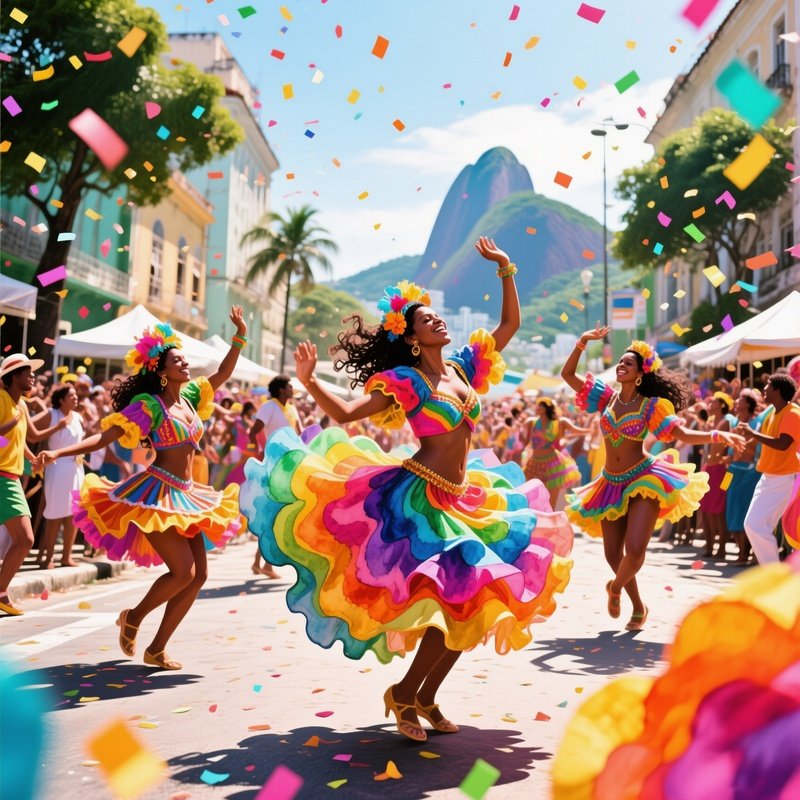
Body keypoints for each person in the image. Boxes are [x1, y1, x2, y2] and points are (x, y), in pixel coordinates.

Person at [240, 237, 574, 742]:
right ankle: (404, 692)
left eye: (437, 316)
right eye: (426, 319)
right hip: (419, 503)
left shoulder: (462, 368)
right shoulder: (406, 381)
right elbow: (347, 413)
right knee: (455, 602)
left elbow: (508, 326)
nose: (437, 320)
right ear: (412, 337)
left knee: (472, 604)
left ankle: (424, 696)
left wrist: (506, 268)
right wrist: (309, 381)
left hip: (465, 499)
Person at [40, 309, 247, 668]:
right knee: (183, 572)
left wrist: (239, 335)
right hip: (156, 496)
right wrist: (58, 452)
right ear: (160, 370)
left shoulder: (192, 396)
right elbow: (104, 437)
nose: (185, 363)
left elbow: (224, 373)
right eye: (177, 360)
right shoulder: (149, 406)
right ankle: (133, 617)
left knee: (199, 576)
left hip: (188, 495)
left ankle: (156, 649)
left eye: (184, 358)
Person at [561, 329, 744, 631]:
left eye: (628, 363)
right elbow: (568, 374)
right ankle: (638, 605)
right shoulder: (605, 399)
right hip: (610, 484)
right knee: (612, 555)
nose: (621, 366)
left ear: (640, 374)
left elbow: (681, 433)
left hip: (643, 480)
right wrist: (581, 342)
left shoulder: (650, 406)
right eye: (620, 362)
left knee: (634, 552)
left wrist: (716, 434)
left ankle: (615, 588)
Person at [0, 354, 45, 615]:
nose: (32, 376)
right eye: (28, 373)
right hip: (3, 477)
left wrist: (32, 458)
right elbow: (3, 436)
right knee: (25, 539)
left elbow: (20, 440)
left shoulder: (22, 405)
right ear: (14, 376)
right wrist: (10, 424)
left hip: (11, 477)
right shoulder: (1, 399)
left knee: (23, 539)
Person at [741, 373, 800, 564]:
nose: (764, 389)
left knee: (756, 526)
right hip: (769, 476)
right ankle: (774, 572)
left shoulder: (793, 413)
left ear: (777, 390)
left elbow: (783, 444)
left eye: (768, 385)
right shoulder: (772, 412)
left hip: (785, 478)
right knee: (753, 525)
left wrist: (752, 433)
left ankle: (774, 573)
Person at [247, 375, 301, 578]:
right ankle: (264, 563)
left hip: (291, 467)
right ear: (280, 389)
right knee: (276, 514)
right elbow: (253, 432)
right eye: (289, 386)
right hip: (274, 466)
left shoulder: (292, 409)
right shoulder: (269, 407)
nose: (292, 389)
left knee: (279, 514)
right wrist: (256, 453)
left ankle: (261, 563)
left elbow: (301, 436)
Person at [37, 384, 85, 568]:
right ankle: (48, 558)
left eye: (75, 395)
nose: (75, 398)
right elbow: (31, 431)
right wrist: (57, 427)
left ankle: (66, 556)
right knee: (55, 513)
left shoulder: (78, 417)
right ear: (61, 399)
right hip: (57, 468)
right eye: (71, 395)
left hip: (76, 468)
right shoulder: (53, 414)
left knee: (74, 514)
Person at [522, 397, 587, 509]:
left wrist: (591, 430)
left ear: (547, 408)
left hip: (552, 463)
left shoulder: (558, 423)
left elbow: (575, 431)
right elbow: (526, 442)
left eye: (541, 405)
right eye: (538, 405)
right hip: (534, 463)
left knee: (551, 500)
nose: (538, 407)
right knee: (531, 496)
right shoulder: (531, 422)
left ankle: (550, 517)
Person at [725, 391, 761, 565]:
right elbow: (731, 449)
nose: (736, 401)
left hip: (749, 473)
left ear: (748, 404)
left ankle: (745, 554)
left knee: (744, 512)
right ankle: (741, 551)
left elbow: (749, 447)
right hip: (732, 471)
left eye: (740, 399)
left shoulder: (755, 423)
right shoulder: (735, 422)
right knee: (731, 510)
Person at [698, 392, 734, 558]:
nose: (709, 404)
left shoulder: (725, 422)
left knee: (718, 510)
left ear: (722, 405)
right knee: (706, 509)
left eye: (713, 402)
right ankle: (709, 546)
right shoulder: (711, 422)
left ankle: (721, 548)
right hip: (708, 468)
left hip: (720, 470)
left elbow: (724, 448)